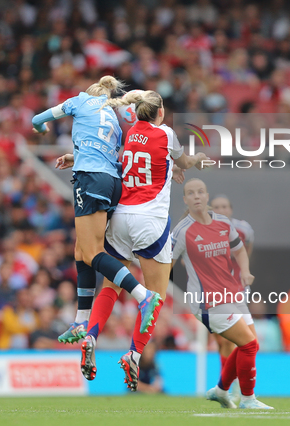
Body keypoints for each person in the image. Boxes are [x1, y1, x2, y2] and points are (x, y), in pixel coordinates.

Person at [78, 90, 207, 389]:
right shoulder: (167, 134)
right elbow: (184, 162)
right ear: (160, 112)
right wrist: (195, 160)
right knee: (154, 296)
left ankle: (90, 336)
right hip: (150, 220)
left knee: (111, 286)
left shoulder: (131, 131)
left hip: (121, 217)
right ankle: (134, 354)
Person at [31, 76, 162, 344]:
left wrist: (42, 130)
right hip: (112, 182)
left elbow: (37, 119)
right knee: (81, 249)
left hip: (90, 180)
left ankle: (142, 295)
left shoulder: (79, 100)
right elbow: (107, 154)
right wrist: (75, 157)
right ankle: (80, 321)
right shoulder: (114, 118)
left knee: (92, 253)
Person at [172, 178, 272, 410]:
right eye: (190, 193)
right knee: (246, 344)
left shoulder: (224, 224)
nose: (196, 196)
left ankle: (221, 390)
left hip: (233, 294)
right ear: (185, 200)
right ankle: (247, 399)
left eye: (200, 192)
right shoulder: (182, 231)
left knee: (251, 345)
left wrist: (245, 272)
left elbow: (240, 250)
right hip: (208, 300)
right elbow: (166, 263)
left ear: (206, 197)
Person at [210, 194, 255, 397]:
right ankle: (228, 384)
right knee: (224, 342)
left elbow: (248, 251)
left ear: (231, 209)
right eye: (217, 206)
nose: (221, 210)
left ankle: (231, 384)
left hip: (237, 291)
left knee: (248, 341)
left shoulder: (244, 230)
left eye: (225, 206)